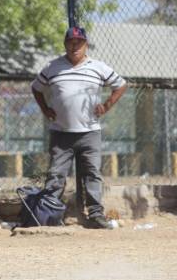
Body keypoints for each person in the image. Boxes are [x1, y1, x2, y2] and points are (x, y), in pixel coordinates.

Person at [31, 26, 127, 229]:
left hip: (90, 132)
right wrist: (45, 109)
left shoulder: (98, 67)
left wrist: (107, 105)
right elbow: (36, 88)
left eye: (79, 42)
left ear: (85, 45)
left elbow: (120, 85)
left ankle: (95, 214)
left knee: (92, 173)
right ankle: (50, 215)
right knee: (56, 174)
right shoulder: (52, 67)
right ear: (65, 44)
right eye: (70, 42)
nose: (74, 46)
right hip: (61, 133)